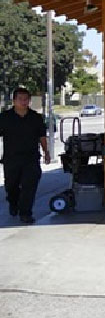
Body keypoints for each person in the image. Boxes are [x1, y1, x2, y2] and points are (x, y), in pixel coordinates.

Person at [1, 87, 52, 224]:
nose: (23, 102)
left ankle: (25, 213)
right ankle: (13, 202)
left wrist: (46, 152)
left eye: (26, 99)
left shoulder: (36, 118)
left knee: (30, 185)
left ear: (29, 100)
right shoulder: (5, 117)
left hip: (31, 158)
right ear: (14, 101)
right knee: (11, 186)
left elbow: (42, 136)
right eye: (20, 99)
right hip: (11, 158)